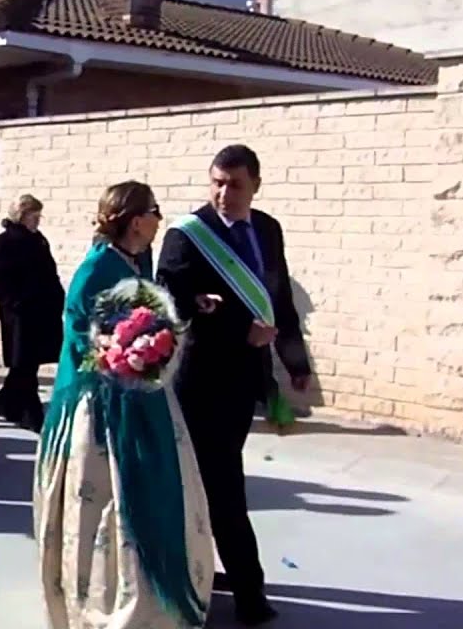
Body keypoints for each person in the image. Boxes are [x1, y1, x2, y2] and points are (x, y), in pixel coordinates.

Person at [35, 181, 214, 629]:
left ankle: (160, 592)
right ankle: (113, 595)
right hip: (103, 407)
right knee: (111, 498)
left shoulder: (134, 261)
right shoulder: (96, 269)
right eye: (154, 211)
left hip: (145, 396)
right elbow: (80, 335)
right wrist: (119, 356)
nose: (158, 219)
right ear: (136, 221)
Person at [155, 145, 311, 626]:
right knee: (222, 485)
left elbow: (277, 295)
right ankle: (249, 592)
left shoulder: (267, 229)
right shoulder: (187, 235)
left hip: (245, 379)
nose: (224, 193)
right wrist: (234, 327)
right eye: (217, 183)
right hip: (201, 380)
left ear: (255, 186)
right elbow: (170, 300)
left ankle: (200, 567)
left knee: (211, 483)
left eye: (235, 184)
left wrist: (295, 360)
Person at [0, 194, 64, 431]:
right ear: (21, 215)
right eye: (33, 215)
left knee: (28, 364)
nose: (37, 220)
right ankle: (30, 413)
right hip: (20, 314)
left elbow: (49, 271)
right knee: (23, 363)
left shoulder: (38, 240)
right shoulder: (2, 243)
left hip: (43, 310)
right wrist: (16, 302)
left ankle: (7, 403)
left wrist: (57, 296)